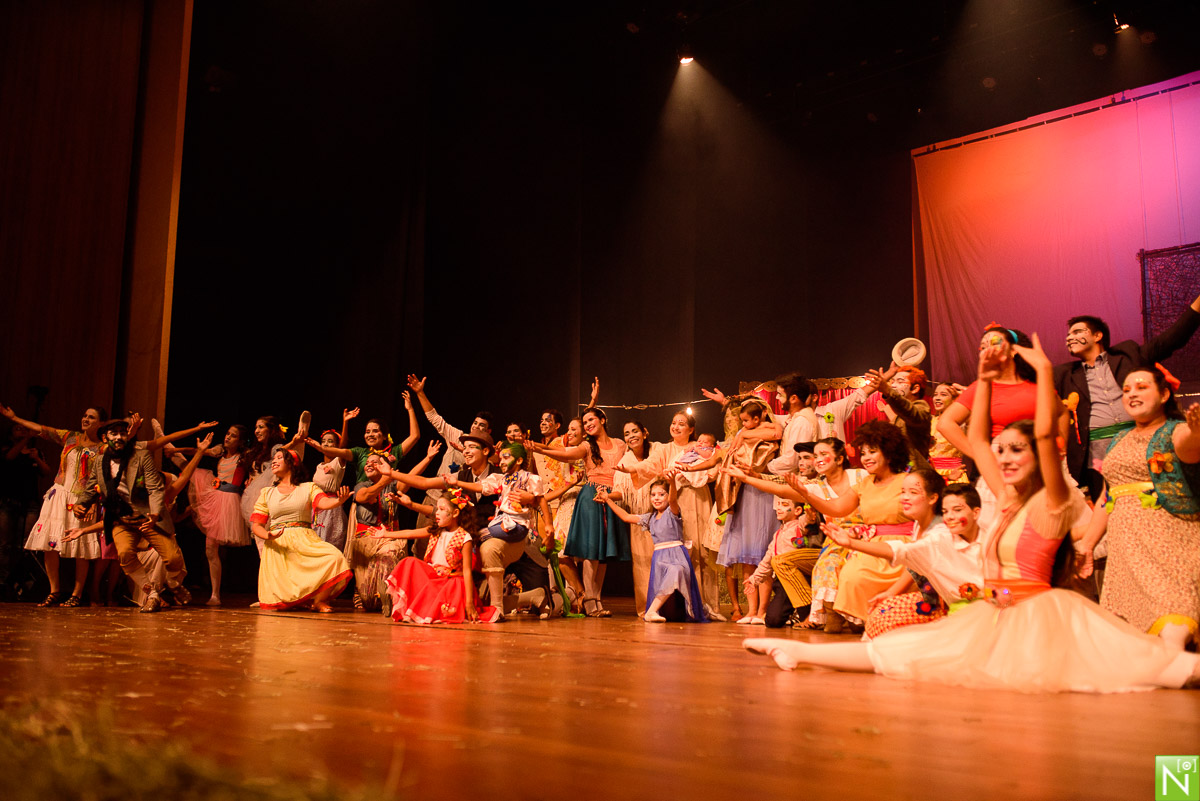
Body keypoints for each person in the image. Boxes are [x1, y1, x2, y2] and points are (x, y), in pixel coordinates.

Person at [743, 333, 1200, 693]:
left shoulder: (1051, 500)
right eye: (1001, 451)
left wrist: (1042, 372)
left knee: (1156, 667)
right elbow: (978, 441)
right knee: (907, 652)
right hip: (994, 610)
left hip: (1035, 616)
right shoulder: (1004, 498)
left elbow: (1043, 437)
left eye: (1016, 450)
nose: (1003, 458)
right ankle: (791, 650)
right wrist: (984, 379)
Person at [1075, 365, 1200, 651]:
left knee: (1172, 602)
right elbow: (1108, 496)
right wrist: (1088, 545)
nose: (1131, 394)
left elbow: (1189, 448)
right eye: (1127, 390)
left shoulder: (1176, 430)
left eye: (1142, 387)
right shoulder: (1119, 439)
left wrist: (1197, 432)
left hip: (1168, 539)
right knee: (1133, 619)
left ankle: (1178, 663)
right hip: (1127, 546)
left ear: (1165, 394)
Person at [1053, 291, 1200, 500]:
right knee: (1108, 507)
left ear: (1097, 336)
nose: (1069, 337)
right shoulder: (1064, 374)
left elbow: (1172, 339)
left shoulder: (1128, 354)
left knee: (1157, 498)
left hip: (1142, 441)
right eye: (1068, 335)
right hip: (1096, 453)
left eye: (1077, 332)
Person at [72, 419, 190, 613]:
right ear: (104, 438)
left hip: (147, 518)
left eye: (123, 433)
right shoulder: (101, 461)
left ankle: (171, 582)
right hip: (121, 520)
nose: (119, 437)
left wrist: (154, 513)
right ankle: (152, 594)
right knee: (125, 555)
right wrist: (81, 504)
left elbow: (155, 487)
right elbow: (90, 488)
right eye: (114, 433)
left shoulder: (141, 456)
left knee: (173, 559)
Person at [615, 411, 723, 620]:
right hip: (675, 499)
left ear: (691, 429)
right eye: (673, 423)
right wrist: (631, 469)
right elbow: (649, 465)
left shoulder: (700, 446)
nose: (676, 427)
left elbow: (714, 466)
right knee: (681, 554)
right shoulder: (665, 449)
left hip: (696, 500)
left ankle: (705, 606)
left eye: (681, 424)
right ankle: (676, 607)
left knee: (699, 552)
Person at [822, 468, 952, 638]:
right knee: (877, 620)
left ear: (933, 498)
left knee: (882, 621)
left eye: (913, 492)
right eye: (902, 491)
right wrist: (891, 593)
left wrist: (852, 543)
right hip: (931, 597)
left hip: (947, 604)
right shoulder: (919, 525)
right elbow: (912, 564)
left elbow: (902, 551)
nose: (905, 497)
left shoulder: (939, 533)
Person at [527, 407, 628, 617]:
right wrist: (538, 448)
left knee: (604, 554)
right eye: (586, 421)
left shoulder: (620, 444)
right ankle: (589, 600)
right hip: (592, 496)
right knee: (592, 551)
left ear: (603, 419)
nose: (589, 424)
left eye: (592, 419)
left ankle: (597, 600)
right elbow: (564, 454)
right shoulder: (586, 446)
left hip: (612, 497)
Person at [3, 402, 106, 607]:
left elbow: (103, 478)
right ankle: (54, 590)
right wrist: (14, 419)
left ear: (100, 423)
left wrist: (94, 501)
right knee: (50, 543)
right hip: (59, 495)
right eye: (84, 415)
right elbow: (41, 429)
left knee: (80, 547)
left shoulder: (103, 447)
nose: (85, 419)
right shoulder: (70, 437)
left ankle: (76, 594)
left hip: (82, 499)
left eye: (91, 417)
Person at [448, 440, 551, 617]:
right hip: (502, 524)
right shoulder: (501, 479)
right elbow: (480, 486)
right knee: (479, 540)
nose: (501, 462)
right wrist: (458, 482)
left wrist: (548, 525)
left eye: (506, 457)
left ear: (518, 461)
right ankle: (532, 597)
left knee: (484, 540)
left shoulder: (530, 478)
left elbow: (540, 499)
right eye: (501, 458)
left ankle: (497, 609)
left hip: (517, 527)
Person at [249, 448, 352, 613]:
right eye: (273, 458)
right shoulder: (267, 493)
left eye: (279, 458)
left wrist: (338, 501)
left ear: (291, 463)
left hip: (304, 539)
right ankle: (299, 601)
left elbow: (323, 503)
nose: (274, 461)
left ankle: (319, 601)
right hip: (278, 544)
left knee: (334, 558)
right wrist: (268, 535)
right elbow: (256, 526)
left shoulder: (308, 488)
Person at [382, 490, 502, 624]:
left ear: (455, 513)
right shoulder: (436, 530)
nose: (437, 512)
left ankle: (440, 610)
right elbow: (410, 533)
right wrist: (385, 534)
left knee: (453, 583)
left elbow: (467, 572)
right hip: (433, 575)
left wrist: (469, 603)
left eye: (441, 509)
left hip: (450, 581)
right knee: (409, 562)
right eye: (437, 508)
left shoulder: (464, 538)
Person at [710, 399, 780, 621]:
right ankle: (751, 610)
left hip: (763, 492)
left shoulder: (770, 426)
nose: (742, 425)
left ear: (758, 417)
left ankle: (762, 611)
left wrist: (744, 435)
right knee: (747, 555)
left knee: (762, 554)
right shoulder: (742, 431)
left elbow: (776, 434)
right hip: (744, 492)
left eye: (746, 420)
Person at [601, 476, 706, 622]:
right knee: (669, 589)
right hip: (660, 559)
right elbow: (625, 517)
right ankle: (656, 611)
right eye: (653, 495)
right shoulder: (650, 518)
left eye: (661, 494)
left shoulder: (672, 512)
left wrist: (671, 483)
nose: (656, 498)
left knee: (677, 570)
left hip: (676, 555)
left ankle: (651, 611)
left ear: (668, 496)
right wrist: (608, 500)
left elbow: (673, 500)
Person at [180, 423, 253, 606]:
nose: (228, 437)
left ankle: (218, 593)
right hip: (214, 496)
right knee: (210, 549)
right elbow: (197, 452)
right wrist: (179, 449)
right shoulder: (219, 452)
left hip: (229, 501)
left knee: (217, 549)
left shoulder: (244, 456)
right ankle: (215, 594)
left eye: (233, 435)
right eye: (228, 433)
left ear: (241, 441)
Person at [345, 453, 410, 612]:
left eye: (374, 462)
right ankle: (364, 594)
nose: (368, 464)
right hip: (366, 540)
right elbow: (364, 496)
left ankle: (388, 595)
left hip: (387, 538)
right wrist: (386, 479)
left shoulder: (392, 486)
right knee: (369, 600)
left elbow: (411, 478)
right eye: (367, 462)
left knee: (390, 553)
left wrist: (428, 458)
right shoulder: (361, 486)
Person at [743, 496, 821, 628]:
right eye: (778, 504)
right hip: (783, 582)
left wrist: (809, 515)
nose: (778, 508)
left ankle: (808, 615)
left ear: (797, 510)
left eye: (784, 504)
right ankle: (792, 613)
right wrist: (754, 579)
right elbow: (767, 561)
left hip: (800, 578)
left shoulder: (799, 526)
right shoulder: (777, 534)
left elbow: (806, 521)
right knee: (772, 621)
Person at [928, 382, 968, 482]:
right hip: (931, 475)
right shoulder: (929, 421)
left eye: (943, 395)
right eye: (935, 394)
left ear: (954, 399)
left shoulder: (961, 422)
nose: (937, 398)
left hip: (954, 475)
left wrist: (965, 398)